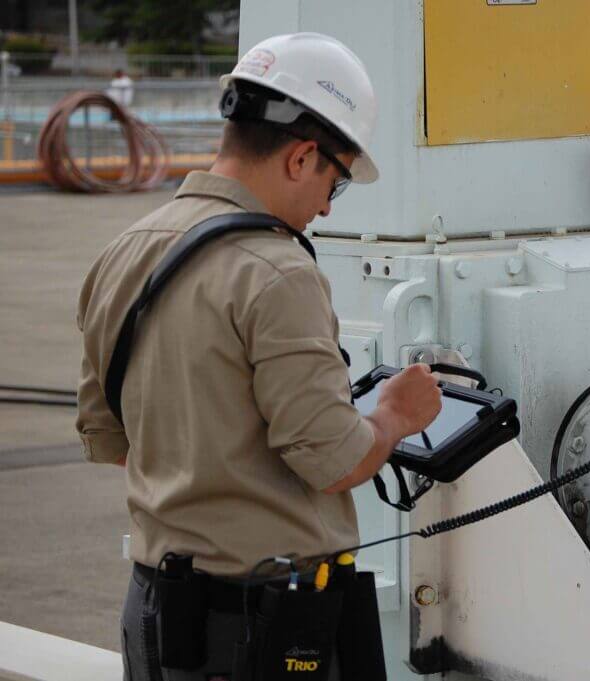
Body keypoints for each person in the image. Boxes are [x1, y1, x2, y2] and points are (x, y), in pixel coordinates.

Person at [75, 33, 442, 679]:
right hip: (262, 630)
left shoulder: (124, 250)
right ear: (302, 157)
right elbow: (335, 461)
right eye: (337, 180)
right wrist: (392, 415)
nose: (328, 205)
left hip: (159, 618)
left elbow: (116, 441)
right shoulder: (277, 271)